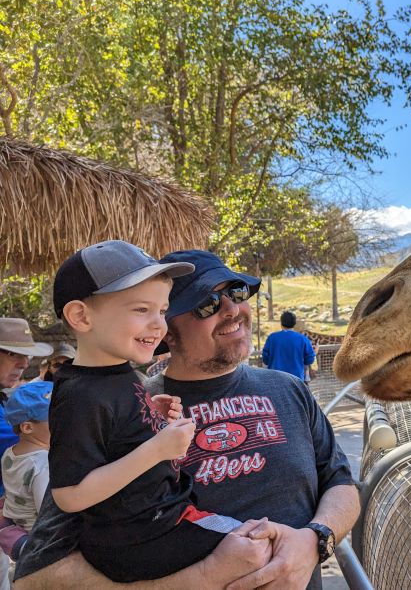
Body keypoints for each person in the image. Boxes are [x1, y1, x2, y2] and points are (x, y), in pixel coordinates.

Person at [14, 249, 359, 590]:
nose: (232, 310)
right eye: (206, 304)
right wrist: (202, 579)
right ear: (166, 332)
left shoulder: (290, 390)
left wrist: (315, 541)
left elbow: (341, 484)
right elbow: (37, 575)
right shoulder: (118, 407)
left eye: (236, 292)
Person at [46, 240, 269, 583]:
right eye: (141, 310)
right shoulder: (79, 395)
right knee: (257, 552)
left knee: (260, 538)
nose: (158, 325)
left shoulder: (120, 374)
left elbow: (113, 436)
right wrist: (157, 449)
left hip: (160, 518)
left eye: (162, 311)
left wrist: (147, 416)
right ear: (81, 316)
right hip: (139, 537)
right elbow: (70, 495)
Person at [0, 319, 52, 590]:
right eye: (13, 353)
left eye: (25, 355)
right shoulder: (40, 460)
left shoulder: (8, 402)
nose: (23, 363)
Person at [2, 381, 52, 532]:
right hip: (34, 532)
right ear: (28, 427)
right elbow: (46, 512)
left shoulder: (10, 452)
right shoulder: (42, 463)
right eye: (56, 418)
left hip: (16, 523)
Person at [262, 311, 315, 381]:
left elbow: (265, 359)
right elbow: (309, 360)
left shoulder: (272, 338)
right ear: (294, 323)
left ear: (281, 323)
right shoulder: (303, 339)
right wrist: (315, 352)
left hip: (275, 379)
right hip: (296, 380)